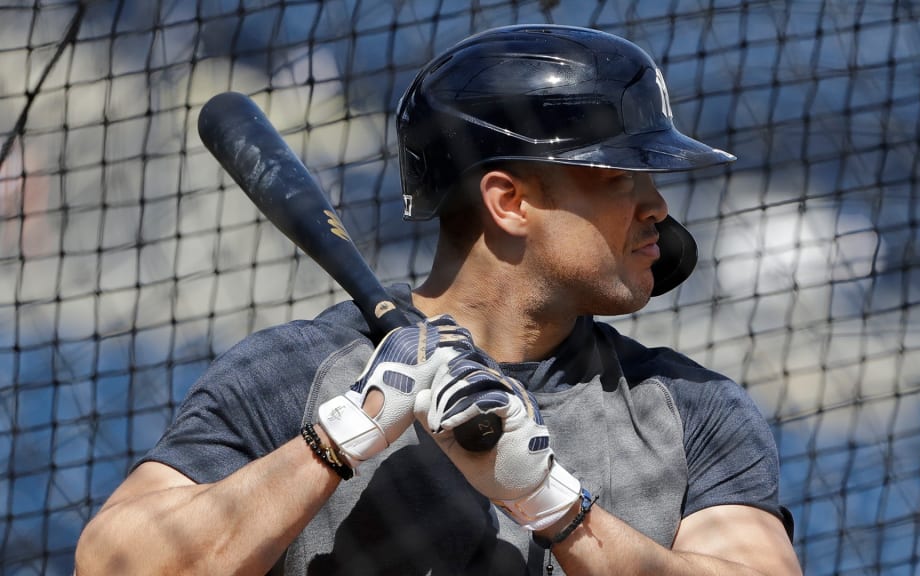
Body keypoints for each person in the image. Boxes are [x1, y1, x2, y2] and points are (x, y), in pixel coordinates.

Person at [75, 24, 801, 575]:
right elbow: (111, 561)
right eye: (620, 179)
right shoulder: (297, 373)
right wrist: (337, 443)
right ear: (508, 201)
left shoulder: (691, 409)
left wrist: (552, 505)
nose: (657, 205)